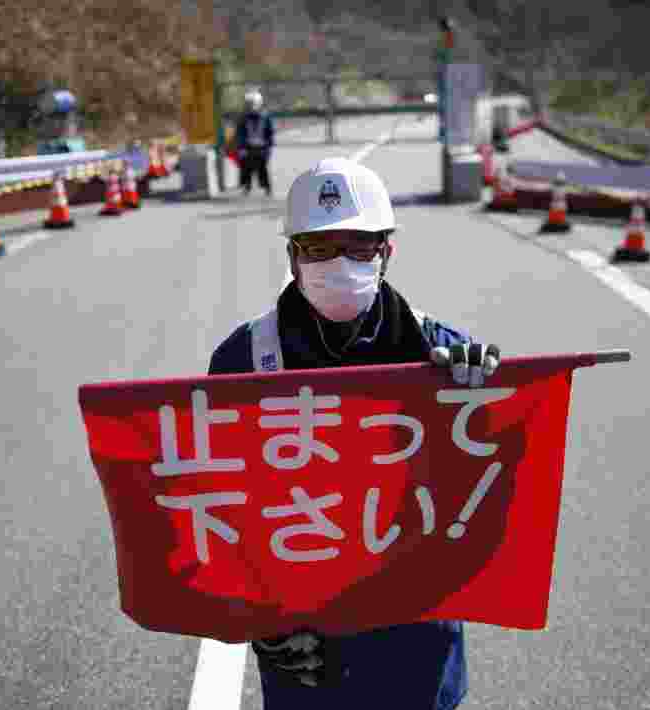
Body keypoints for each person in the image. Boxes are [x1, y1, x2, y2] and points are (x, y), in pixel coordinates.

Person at [207, 157, 501, 710]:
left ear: (388, 252)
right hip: (307, 650)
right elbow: (220, 507)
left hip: (416, 642)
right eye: (319, 247)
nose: (339, 263)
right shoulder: (244, 360)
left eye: (359, 246)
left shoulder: (440, 350)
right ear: (292, 257)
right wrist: (257, 620)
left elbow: (489, 486)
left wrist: (483, 398)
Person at [235, 89, 275, 197]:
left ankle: (266, 187)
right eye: (248, 104)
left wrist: (268, 147)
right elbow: (240, 134)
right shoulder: (243, 118)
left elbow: (270, 133)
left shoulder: (265, 117)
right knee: (246, 167)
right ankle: (246, 186)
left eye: (252, 104)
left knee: (262, 168)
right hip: (247, 147)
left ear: (259, 104)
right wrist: (241, 147)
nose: (250, 106)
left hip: (261, 147)